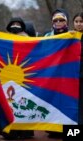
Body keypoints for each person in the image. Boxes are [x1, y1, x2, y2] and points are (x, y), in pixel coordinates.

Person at [44, 8, 70, 138]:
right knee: (52, 101)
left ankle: (67, 130)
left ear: (67, 22)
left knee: (65, 101)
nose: (59, 22)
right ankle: (53, 129)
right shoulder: (46, 36)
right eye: (56, 20)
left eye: (62, 20)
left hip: (67, 75)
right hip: (51, 74)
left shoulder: (72, 35)